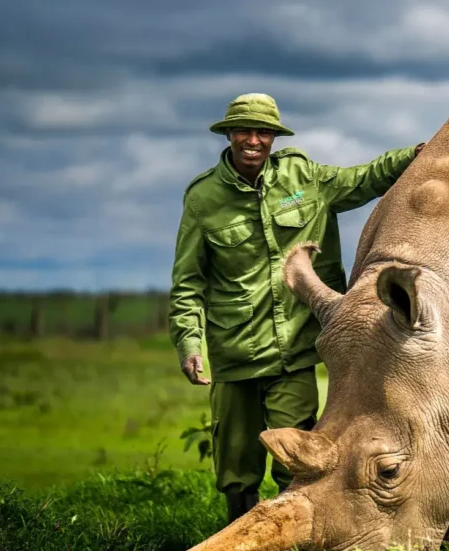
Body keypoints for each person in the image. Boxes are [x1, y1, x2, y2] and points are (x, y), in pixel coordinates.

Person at [169, 93, 424, 523]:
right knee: (237, 467)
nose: (254, 140)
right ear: (229, 135)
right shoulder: (203, 199)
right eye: (245, 131)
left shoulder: (303, 178)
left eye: (263, 132)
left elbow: (365, 179)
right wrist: (190, 344)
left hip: (296, 352)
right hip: (236, 355)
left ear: (273, 137)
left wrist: (417, 154)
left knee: (300, 456)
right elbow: (188, 283)